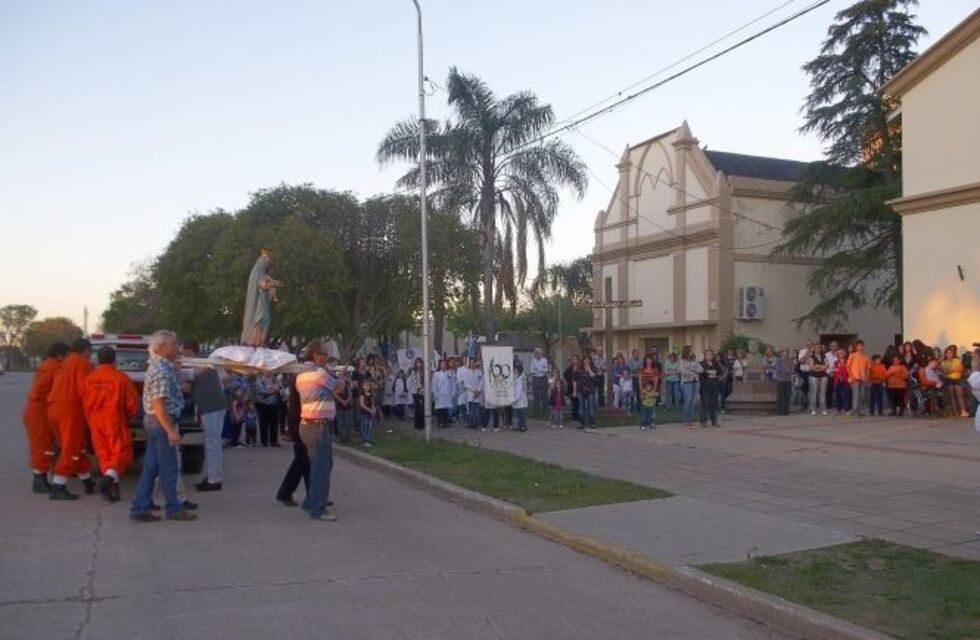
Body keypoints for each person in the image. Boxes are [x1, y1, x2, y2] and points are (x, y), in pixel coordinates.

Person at [130, 330, 196, 522]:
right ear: (162, 348)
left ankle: (139, 507)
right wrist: (169, 430)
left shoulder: (163, 367)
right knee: (169, 468)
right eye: (173, 344)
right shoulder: (161, 371)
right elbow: (158, 404)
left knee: (151, 467)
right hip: (160, 422)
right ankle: (173, 508)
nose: (177, 347)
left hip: (156, 421)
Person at [81, 346, 137, 502]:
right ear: (114, 360)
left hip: (94, 421)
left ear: (97, 360)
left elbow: (83, 401)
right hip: (113, 419)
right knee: (122, 454)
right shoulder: (120, 378)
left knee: (104, 455)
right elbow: (131, 403)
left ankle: (113, 489)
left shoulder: (88, 379)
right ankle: (106, 481)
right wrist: (128, 418)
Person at [294, 340, 339, 522]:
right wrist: (340, 375)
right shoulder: (319, 373)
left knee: (322, 464)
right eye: (323, 354)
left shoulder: (301, 375)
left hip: (307, 424)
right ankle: (318, 508)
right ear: (315, 355)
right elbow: (338, 387)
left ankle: (311, 501)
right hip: (317, 425)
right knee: (321, 467)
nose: (325, 357)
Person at [46, 338, 94, 500]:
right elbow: (84, 390)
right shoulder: (82, 363)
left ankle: (87, 481)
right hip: (70, 411)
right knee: (70, 449)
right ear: (86, 350)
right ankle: (59, 485)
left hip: (54, 408)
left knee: (75, 448)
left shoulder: (64, 362)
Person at [22, 341, 68, 494]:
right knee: (41, 446)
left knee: (44, 445)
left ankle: (41, 477)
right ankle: (39, 479)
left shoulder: (48, 365)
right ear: (60, 354)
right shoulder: (54, 368)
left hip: (39, 410)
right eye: (66, 355)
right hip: (39, 411)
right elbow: (38, 391)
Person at [181, 340, 227, 492]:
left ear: (190, 350)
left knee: (212, 443)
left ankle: (214, 479)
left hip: (211, 407)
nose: (181, 353)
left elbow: (188, 387)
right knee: (212, 443)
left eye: (183, 350)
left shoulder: (198, 364)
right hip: (213, 406)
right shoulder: (203, 362)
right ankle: (213, 476)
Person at [276, 373, 309, 507]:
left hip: (301, 426)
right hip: (299, 427)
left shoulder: (300, 394)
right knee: (302, 461)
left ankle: (314, 493)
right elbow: (294, 413)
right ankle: (285, 492)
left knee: (305, 462)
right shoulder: (298, 395)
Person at [241, 250, 284, 346]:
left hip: (263, 301)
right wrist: (274, 283)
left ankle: (260, 341)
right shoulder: (256, 275)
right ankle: (253, 340)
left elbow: (270, 282)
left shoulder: (264, 275)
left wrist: (276, 283)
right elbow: (263, 285)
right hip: (258, 303)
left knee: (265, 319)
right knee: (260, 319)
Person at [254, 374, 281, 447]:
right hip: (262, 403)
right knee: (263, 423)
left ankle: (273, 441)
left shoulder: (275, 379)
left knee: (274, 423)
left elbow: (279, 388)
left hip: (274, 404)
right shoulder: (260, 379)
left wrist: (273, 389)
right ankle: (264, 441)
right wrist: (274, 389)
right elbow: (263, 391)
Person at [941, 346, 968, 418]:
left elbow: (960, 369)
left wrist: (949, 370)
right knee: (952, 396)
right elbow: (944, 371)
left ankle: (963, 411)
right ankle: (955, 411)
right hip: (949, 380)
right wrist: (953, 369)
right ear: (945, 354)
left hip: (957, 379)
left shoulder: (957, 360)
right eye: (947, 353)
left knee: (959, 395)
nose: (949, 354)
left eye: (950, 353)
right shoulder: (943, 362)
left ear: (952, 354)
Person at [699, 350, 723, 427]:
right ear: (705, 355)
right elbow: (700, 373)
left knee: (713, 403)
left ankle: (714, 421)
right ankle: (703, 421)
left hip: (714, 386)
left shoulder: (715, 364)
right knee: (705, 403)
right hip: (705, 386)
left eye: (710, 354)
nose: (709, 356)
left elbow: (720, 372)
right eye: (707, 354)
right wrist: (707, 372)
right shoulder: (701, 364)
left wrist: (716, 373)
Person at [678, 348, 702, 427]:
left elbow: (701, 369)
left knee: (693, 402)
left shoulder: (694, 360)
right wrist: (693, 372)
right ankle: (685, 420)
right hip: (686, 383)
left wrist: (694, 370)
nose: (692, 352)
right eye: (691, 350)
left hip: (695, 382)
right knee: (687, 401)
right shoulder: (682, 360)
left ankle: (689, 420)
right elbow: (683, 371)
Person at [846, 340, 870, 417]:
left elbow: (867, 368)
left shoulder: (866, 357)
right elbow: (848, 366)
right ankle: (855, 411)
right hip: (854, 378)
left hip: (862, 378)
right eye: (859, 346)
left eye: (861, 346)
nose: (860, 347)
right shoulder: (852, 355)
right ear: (856, 347)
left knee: (862, 395)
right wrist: (851, 376)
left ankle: (858, 410)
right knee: (856, 395)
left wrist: (867, 377)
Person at [574, 356, 600, 428]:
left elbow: (595, 378)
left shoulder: (594, 368)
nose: (586, 362)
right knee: (581, 407)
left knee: (591, 407)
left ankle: (592, 423)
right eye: (585, 360)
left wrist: (589, 369)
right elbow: (575, 379)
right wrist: (575, 390)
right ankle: (581, 423)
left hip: (590, 390)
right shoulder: (579, 369)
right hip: (581, 390)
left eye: (588, 360)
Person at [808, 344, 829, 416]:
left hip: (823, 376)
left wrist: (818, 367)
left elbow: (827, 365)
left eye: (819, 348)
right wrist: (821, 367)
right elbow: (811, 367)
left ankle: (823, 409)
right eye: (816, 348)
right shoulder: (811, 357)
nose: (818, 349)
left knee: (822, 393)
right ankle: (813, 409)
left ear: (821, 349)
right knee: (814, 393)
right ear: (814, 349)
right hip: (813, 376)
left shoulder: (824, 356)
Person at [433, 359, 454, 429]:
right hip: (439, 394)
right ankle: (440, 423)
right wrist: (435, 393)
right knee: (440, 410)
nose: (443, 366)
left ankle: (446, 423)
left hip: (447, 394)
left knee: (445, 409)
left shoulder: (449, 373)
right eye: (442, 364)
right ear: (440, 365)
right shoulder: (436, 374)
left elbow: (452, 383)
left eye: (445, 364)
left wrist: (452, 392)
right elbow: (434, 385)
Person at [529, 348, 549, 416]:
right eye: (536, 353)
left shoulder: (544, 360)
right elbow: (532, 371)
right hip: (536, 378)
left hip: (543, 378)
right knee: (536, 395)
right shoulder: (533, 360)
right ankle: (536, 411)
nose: (538, 354)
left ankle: (545, 410)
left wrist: (537, 369)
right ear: (535, 354)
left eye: (539, 353)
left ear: (541, 353)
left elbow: (546, 370)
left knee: (545, 395)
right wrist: (541, 370)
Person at [775, 349, 795, 416]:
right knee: (780, 396)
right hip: (780, 380)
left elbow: (792, 370)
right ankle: (779, 411)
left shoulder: (790, 361)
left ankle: (786, 411)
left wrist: (785, 370)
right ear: (781, 353)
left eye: (786, 352)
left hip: (788, 380)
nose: (785, 354)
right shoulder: (778, 361)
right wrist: (787, 370)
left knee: (787, 396)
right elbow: (778, 369)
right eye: (784, 352)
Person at [465, 359, 484, 429]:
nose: (472, 364)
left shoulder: (479, 372)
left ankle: (477, 423)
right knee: (471, 410)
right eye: (471, 363)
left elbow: (481, 381)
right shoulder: (467, 372)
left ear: (475, 363)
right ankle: (471, 423)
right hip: (471, 393)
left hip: (478, 393)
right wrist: (473, 390)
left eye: (473, 363)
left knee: (477, 410)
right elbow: (466, 383)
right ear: (469, 364)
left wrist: (478, 390)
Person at [408, 358, 425, 431]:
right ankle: (416, 426)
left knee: (422, 409)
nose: (419, 364)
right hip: (416, 392)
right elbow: (414, 381)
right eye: (417, 362)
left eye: (420, 362)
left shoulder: (423, 371)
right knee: (417, 409)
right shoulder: (413, 372)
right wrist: (419, 388)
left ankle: (422, 425)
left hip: (423, 392)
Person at [357, 380, 376, 447]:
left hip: (369, 413)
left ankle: (368, 438)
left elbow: (372, 402)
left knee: (369, 426)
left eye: (369, 386)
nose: (367, 387)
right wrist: (369, 410)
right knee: (364, 426)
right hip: (364, 412)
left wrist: (374, 409)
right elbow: (362, 404)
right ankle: (364, 439)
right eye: (366, 386)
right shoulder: (362, 395)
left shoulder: (370, 394)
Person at [563, 355, 581, 422]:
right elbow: (565, 374)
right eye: (573, 359)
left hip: (579, 387)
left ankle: (579, 416)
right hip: (571, 387)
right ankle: (574, 416)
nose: (574, 361)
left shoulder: (580, 367)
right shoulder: (569, 368)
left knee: (578, 402)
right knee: (573, 402)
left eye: (575, 359)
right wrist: (570, 379)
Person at [512, 362, 529, 432]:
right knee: (519, 413)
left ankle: (523, 426)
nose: (514, 370)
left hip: (520, 398)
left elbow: (519, 389)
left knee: (521, 413)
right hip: (517, 397)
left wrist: (515, 398)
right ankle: (520, 425)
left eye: (515, 368)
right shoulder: (516, 375)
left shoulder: (521, 377)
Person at [547, 364, 564, 429]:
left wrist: (558, 381)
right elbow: (551, 387)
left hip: (558, 396)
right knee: (552, 410)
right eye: (553, 372)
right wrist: (554, 380)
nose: (555, 373)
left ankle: (559, 422)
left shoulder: (560, 380)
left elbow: (562, 387)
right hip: (552, 396)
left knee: (559, 411)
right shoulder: (550, 379)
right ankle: (551, 422)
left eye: (556, 372)